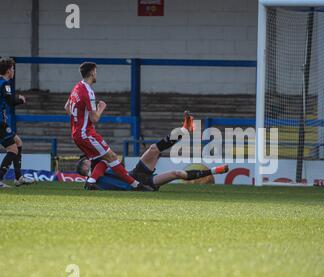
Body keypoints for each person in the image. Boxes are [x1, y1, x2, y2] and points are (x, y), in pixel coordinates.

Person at [75, 115, 228, 191]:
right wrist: (91, 180)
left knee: (154, 149)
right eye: (86, 161)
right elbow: (100, 166)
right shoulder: (93, 178)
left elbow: (101, 165)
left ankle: (184, 130)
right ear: (84, 167)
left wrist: (92, 180)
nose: (89, 160)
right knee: (176, 173)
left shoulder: (95, 176)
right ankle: (215, 170)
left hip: (136, 174)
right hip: (142, 185)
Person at [65, 62, 152, 191]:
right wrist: (101, 108)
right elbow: (95, 118)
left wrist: (79, 119)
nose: (96, 75)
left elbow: (67, 108)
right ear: (92, 72)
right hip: (86, 134)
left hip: (76, 134)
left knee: (106, 158)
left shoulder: (76, 87)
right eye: (96, 72)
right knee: (111, 157)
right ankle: (136, 185)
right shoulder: (88, 92)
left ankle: (91, 181)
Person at [0, 57, 35, 188]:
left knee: (19, 142)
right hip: (0, 123)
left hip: (1, 123)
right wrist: (21, 99)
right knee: (13, 149)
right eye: (12, 68)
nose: (13, 71)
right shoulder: (4, 83)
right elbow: (10, 102)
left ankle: (18, 177)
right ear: (9, 71)